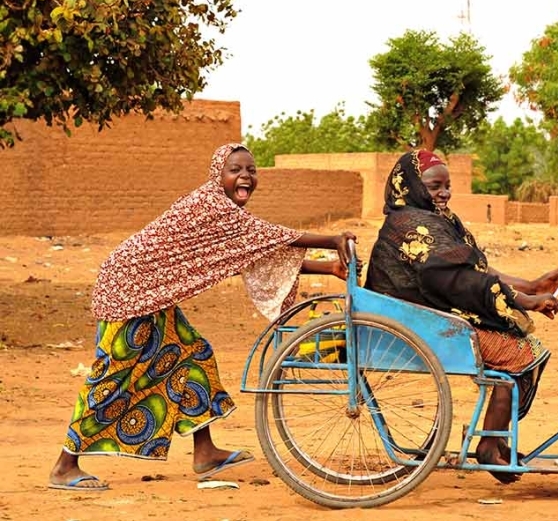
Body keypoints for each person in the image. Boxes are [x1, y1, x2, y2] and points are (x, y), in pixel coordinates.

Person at [48, 143, 356, 491]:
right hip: (129, 289)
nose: (245, 176)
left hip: (152, 292)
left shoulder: (225, 214)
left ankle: (205, 452)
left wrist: (329, 266)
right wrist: (332, 239)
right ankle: (64, 465)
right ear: (217, 175)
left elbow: (251, 255)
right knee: (114, 374)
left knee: (194, 354)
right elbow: (268, 238)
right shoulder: (212, 204)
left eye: (251, 171)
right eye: (235, 169)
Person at [365, 150, 558, 484]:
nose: (444, 193)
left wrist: (529, 284)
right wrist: (524, 299)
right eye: (434, 186)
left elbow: (472, 269)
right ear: (412, 186)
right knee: (521, 353)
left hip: (427, 314)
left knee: (520, 344)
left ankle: (495, 438)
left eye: (447, 185)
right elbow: (458, 281)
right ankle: (488, 445)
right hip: (415, 324)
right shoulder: (412, 226)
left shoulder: (431, 219)